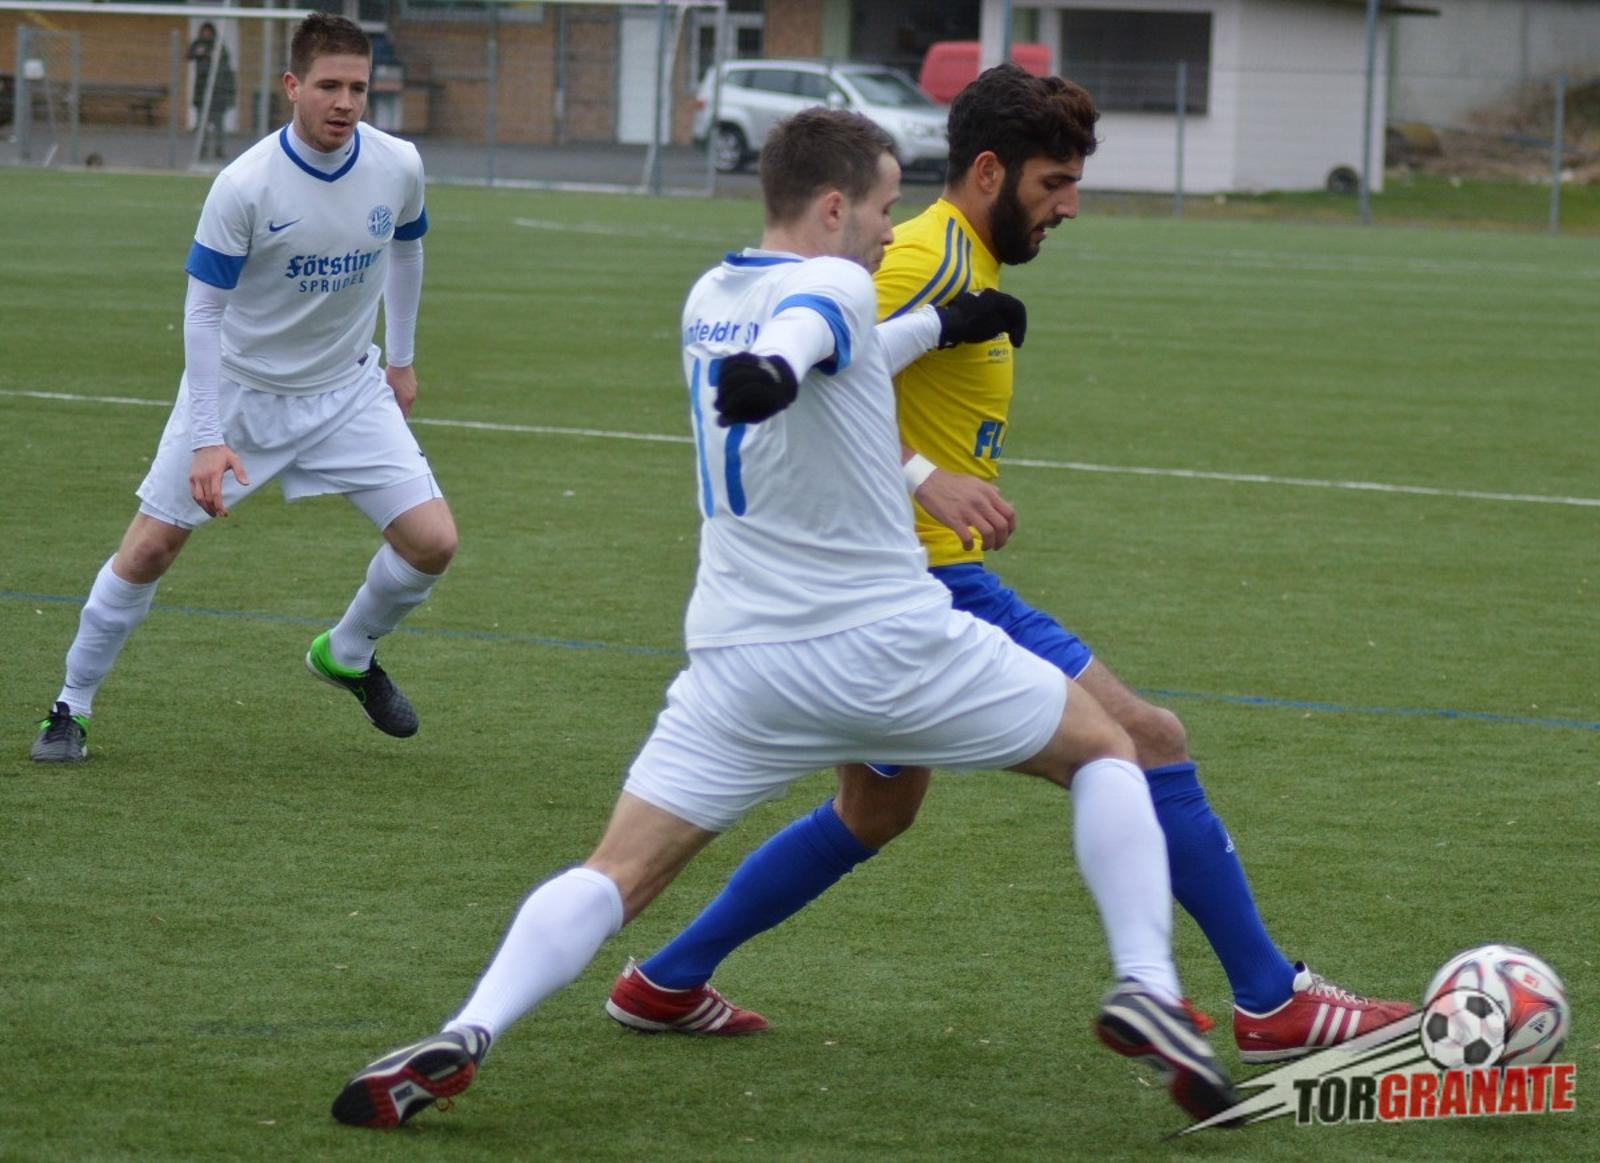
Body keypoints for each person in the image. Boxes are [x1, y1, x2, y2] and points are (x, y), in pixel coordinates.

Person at [329, 108, 1237, 1131]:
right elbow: (808, 332)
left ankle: (470, 1027)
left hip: (738, 665)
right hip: (886, 643)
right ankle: (1147, 983)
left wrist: (944, 323)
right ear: (835, 207)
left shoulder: (710, 295)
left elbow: (839, 350)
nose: (892, 230)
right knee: (1111, 747)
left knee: (615, 870)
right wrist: (773, 370)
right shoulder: (832, 285)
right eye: (885, 207)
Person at [604, 65, 1413, 1063]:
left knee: (876, 808)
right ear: (988, 171)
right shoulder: (919, 256)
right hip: (921, 585)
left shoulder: (959, 259)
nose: (1068, 207)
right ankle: (1269, 998)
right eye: (1053, 184)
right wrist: (923, 476)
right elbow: (800, 382)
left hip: (882, 590)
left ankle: (665, 978)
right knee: (1146, 739)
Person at [29, 13, 453, 762]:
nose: (345, 103)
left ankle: (347, 653)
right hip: (242, 394)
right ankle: (71, 705)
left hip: (348, 391)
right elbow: (202, 313)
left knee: (432, 543)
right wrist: (207, 437)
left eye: (358, 88)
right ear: (292, 85)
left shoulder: (398, 164)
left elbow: (407, 250)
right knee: (150, 549)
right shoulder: (245, 185)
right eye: (328, 86)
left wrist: (402, 361)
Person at [187, 21, 237, 160]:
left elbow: (225, 65)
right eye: (204, 32)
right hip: (201, 93)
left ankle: (219, 149)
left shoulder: (219, 47)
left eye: (208, 32)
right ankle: (201, 150)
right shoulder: (199, 44)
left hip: (217, 94)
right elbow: (190, 54)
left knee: (218, 125)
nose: (206, 35)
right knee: (202, 124)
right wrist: (201, 53)